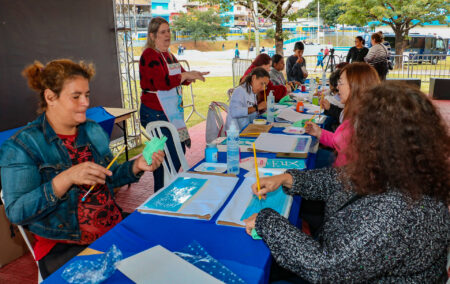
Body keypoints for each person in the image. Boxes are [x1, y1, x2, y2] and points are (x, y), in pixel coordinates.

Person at [244, 82, 450, 283]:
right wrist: (287, 178)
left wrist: (266, 222)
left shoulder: (397, 212)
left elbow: (324, 268)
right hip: (335, 249)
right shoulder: (402, 170)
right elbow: (337, 179)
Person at [0, 59, 165, 279]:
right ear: (51, 97)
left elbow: (110, 177)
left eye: (87, 95)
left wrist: (135, 166)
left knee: (165, 254)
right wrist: (65, 178)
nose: (86, 103)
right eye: (76, 96)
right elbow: (17, 212)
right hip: (64, 243)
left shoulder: (92, 130)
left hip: (111, 227)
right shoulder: (23, 146)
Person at [139, 17, 208, 192]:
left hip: (170, 113)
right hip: (155, 113)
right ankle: (161, 194)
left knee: (175, 153)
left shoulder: (169, 55)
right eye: (163, 32)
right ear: (153, 36)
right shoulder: (149, 55)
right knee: (167, 157)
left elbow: (180, 77)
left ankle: (165, 190)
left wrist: (191, 75)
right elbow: (161, 82)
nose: (168, 35)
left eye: (169, 31)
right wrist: (184, 76)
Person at [305, 63, 381, 167]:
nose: (337, 87)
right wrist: (319, 132)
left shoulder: (361, 123)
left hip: (343, 175)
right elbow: (340, 141)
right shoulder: (358, 112)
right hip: (340, 168)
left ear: (355, 86)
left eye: (341, 82)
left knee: (305, 161)